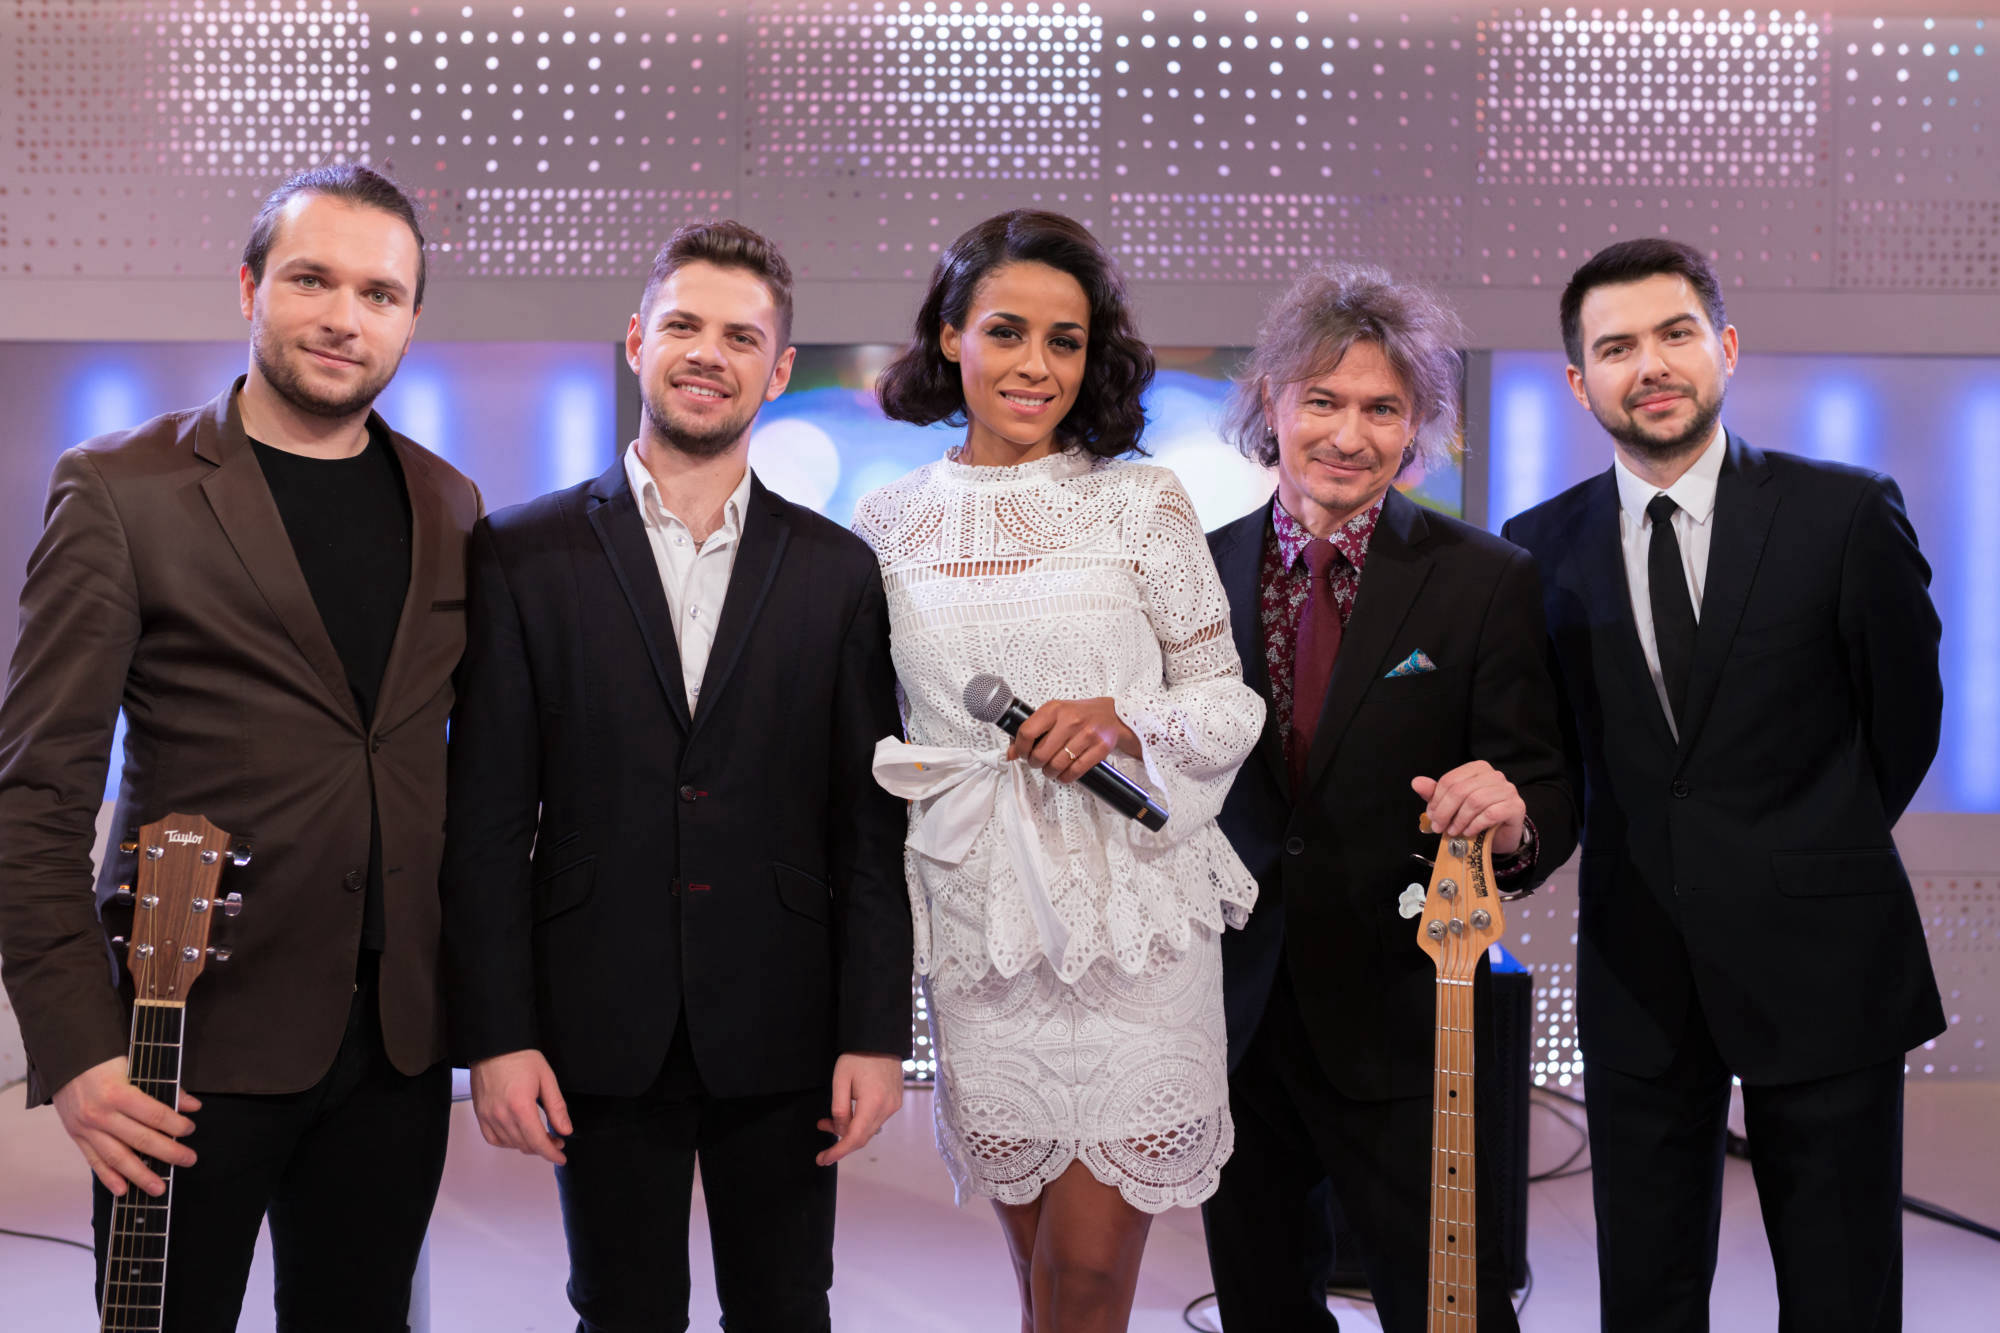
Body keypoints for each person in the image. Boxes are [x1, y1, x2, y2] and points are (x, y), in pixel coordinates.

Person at [0, 163, 480, 1329]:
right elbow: (35, 792)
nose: (344, 316)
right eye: (312, 280)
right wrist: (76, 1048)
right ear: (251, 288)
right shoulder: (123, 489)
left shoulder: (451, 504)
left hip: (395, 1054)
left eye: (379, 293)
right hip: (182, 1041)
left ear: (411, 318)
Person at [441, 219, 912, 1333]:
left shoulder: (840, 571)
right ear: (636, 340)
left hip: (787, 1020)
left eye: (741, 337)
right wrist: (496, 1035)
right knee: (620, 1309)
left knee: (787, 1308)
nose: (709, 353)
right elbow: (486, 819)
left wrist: (875, 1031)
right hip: (596, 1016)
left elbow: (866, 828)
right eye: (685, 326)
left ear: (778, 370)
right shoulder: (520, 552)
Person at [1501, 238, 1943, 1333]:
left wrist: (1804, 851)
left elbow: (1904, 723)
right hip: (1636, 970)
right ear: (1579, 382)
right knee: (1645, 1296)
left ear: (1725, 347)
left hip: (1826, 961)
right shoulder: (1534, 548)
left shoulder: (1843, 513)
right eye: (1616, 347)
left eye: (1675, 333)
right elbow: (1559, 762)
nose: (1649, 365)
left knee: (1840, 1295)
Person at [855, 210, 1264, 1333]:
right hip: (982, 926)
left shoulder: (1142, 501)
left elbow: (1228, 703)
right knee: (1038, 1268)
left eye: (1065, 341)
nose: (1035, 364)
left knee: (1085, 1275)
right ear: (950, 337)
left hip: (1133, 917)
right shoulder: (887, 525)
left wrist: (1124, 718)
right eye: (1006, 331)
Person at [1200, 262, 1576, 1333]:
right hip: (1231, 1016)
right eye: (1321, 400)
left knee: (1451, 1309)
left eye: (1382, 408)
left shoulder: (1484, 579)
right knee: (1261, 1310)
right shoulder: (1191, 572)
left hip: (1410, 1014)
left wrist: (1510, 815)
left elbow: (1544, 784)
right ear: (1270, 404)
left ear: (1417, 428)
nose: (1348, 435)